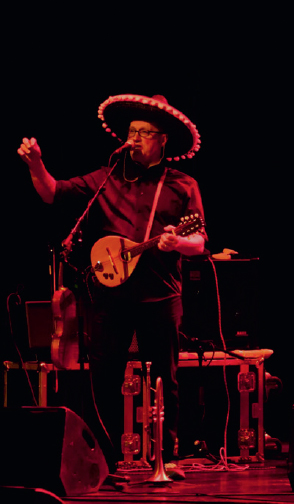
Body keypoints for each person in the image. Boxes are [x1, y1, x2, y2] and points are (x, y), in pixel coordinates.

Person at [18, 94, 207, 474]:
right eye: (131, 131)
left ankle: (163, 459)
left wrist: (178, 242)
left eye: (144, 132)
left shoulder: (183, 185)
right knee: (104, 377)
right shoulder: (104, 179)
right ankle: (104, 458)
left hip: (160, 295)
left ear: (163, 140)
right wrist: (36, 164)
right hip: (109, 295)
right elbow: (52, 192)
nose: (135, 138)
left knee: (165, 378)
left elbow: (200, 242)